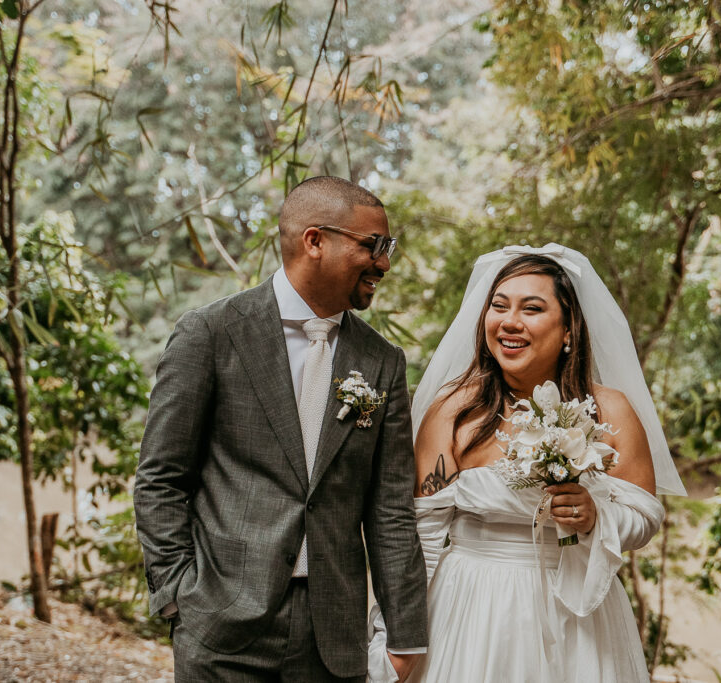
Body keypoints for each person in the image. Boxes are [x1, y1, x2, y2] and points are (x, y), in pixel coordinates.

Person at [135, 176, 428, 682]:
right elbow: (161, 478)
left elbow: (390, 510)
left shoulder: (383, 361)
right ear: (314, 241)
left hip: (333, 638)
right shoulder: (211, 333)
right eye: (372, 245)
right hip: (220, 625)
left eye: (388, 247)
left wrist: (405, 633)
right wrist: (178, 597)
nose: (383, 262)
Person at [367, 244, 686, 682]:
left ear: (569, 327)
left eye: (532, 308)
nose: (510, 321)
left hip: (576, 610)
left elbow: (645, 515)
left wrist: (596, 516)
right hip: (471, 608)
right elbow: (419, 533)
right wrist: (396, 637)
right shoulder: (455, 410)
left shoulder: (609, 410)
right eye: (499, 306)